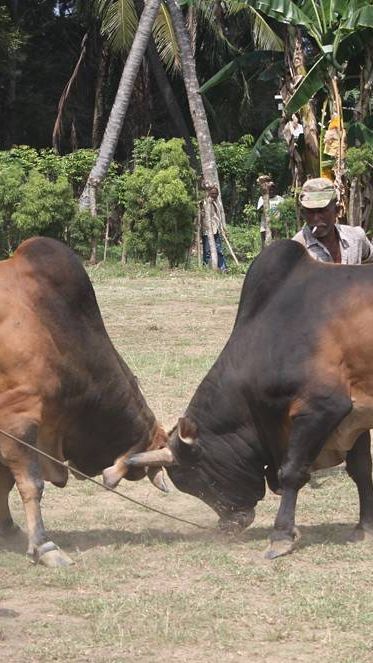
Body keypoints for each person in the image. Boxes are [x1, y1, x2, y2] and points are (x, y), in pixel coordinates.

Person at [293, 177, 373, 264]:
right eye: (310, 212)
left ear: (337, 210)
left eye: (322, 211)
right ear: (303, 213)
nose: (315, 218)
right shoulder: (296, 250)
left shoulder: (356, 238)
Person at [201, 185, 227, 271]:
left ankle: (223, 268)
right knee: (207, 251)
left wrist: (223, 227)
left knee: (219, 250)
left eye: (216, 194)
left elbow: (220, 215)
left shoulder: (218, 203)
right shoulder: (205, 202)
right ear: (209, 193)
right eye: (212, 193)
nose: (214, 195)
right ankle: (206, 268)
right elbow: (202, 215)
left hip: (216, 229)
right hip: (206, 230)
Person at [257, 182, 284, 248]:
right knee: (265, 245)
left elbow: (284, 212)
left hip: (276, 225)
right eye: (269, 190)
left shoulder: (280, 199)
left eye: (272, 189)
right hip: (264, 226)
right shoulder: (262, 198)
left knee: (276, 245)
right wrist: (265, 202)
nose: (271, 191)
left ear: (275, 190)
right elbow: (259, 211)